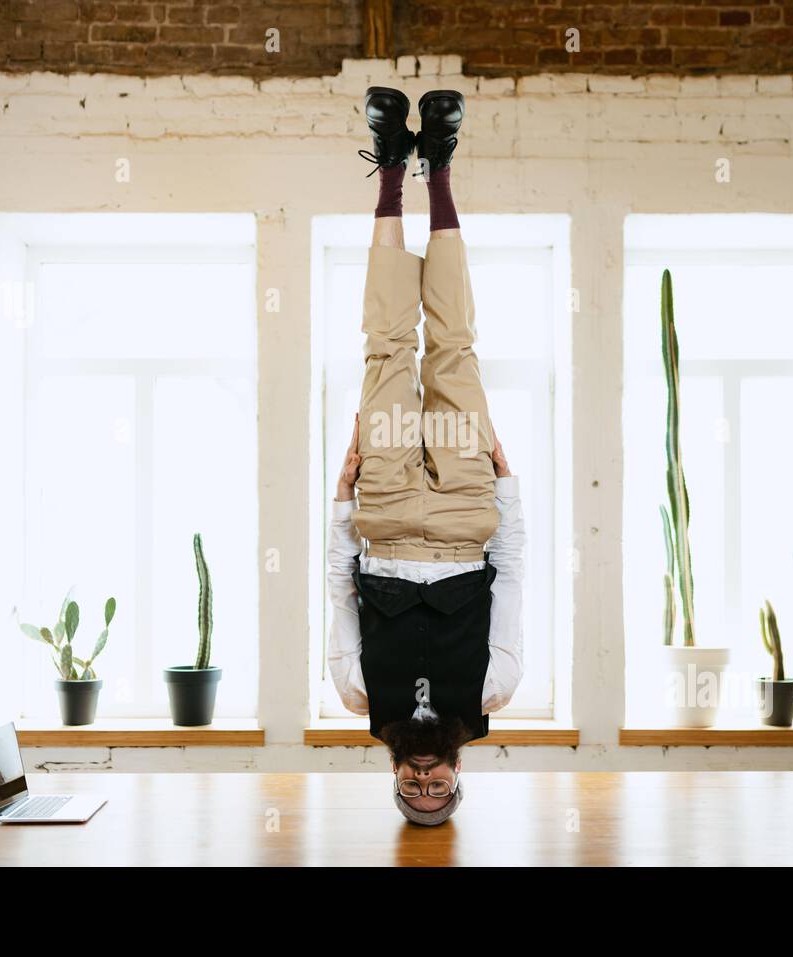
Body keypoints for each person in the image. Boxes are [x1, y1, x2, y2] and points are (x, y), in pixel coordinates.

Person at [326, 87, 527, 827]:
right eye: (436, 789)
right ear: (457, 773)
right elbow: (514, 579)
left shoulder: (356, 695)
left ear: (397, 781)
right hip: (468, 509)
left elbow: (337, 590)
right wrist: (508, 486)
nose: (423, 782)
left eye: (413, 792)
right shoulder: (493, 690)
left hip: (380, 508)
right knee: (453, 348)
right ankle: (437, 168)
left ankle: (389, 169)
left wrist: (342, 497)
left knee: (384, 345)